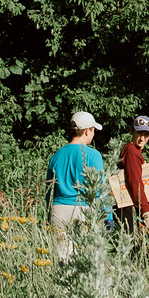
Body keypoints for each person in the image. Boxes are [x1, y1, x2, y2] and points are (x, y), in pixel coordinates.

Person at [46, 111, 105, 259]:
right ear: (87, 131)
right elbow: (100, 188)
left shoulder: (56, 155)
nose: (93, 134)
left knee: (62, 258)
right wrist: (107, 214)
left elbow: (49, 190)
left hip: (59, 210)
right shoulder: (93, 155)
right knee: (85, 258)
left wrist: (48, 213)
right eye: (93, 130)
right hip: (83, 209)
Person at [115, 115, 149, 259]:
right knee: (130, 246)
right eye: (139, 133)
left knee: (131, 244)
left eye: (146, 135)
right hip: (127, 205)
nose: (142, 138)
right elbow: (135, 183)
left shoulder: (132, 149)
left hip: (129, 203)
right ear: (132, 131)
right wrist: (145, 211)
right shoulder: (132, 152)